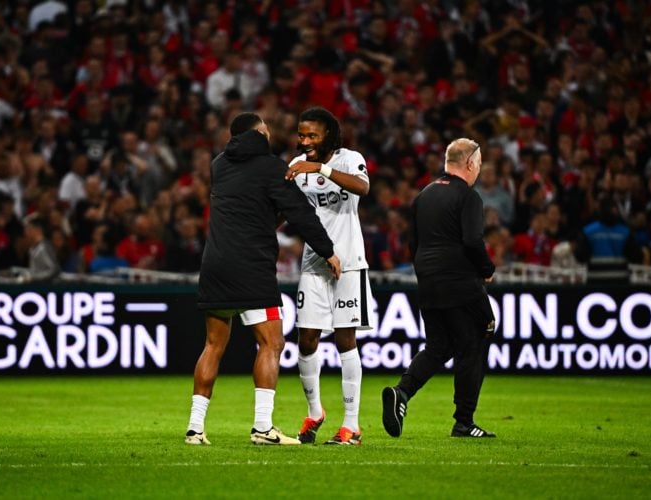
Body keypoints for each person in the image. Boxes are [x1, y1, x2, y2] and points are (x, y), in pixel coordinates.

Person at [186, 112, 341, 446]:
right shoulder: (272, 167)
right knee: (272, 343)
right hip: (252, 267)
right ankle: (262, 427)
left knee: (213, 345)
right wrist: (327, 250)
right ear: (259, 133)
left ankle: (195, 429)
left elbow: (249, 208)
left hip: (214, 263)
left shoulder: (218, 165)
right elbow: (301, 213)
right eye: (266, 131)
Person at [381, 138, 497, 439]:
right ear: (470, 163)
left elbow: (414, 244)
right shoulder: (468, 197)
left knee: (439, 347)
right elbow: (473, 241)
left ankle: (401, 393)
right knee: (473, 344)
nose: (480, 169)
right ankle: (464, 422)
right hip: (461, 283)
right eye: (480, 163)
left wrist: (427, 272)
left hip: (429, 283)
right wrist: (487, 269)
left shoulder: (423, 195)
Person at [284, 106, 374, 446]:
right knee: (306, 341)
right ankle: (314, 412)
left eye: (312, 135)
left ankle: (351, 425)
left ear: (328, 136)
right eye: (301, 134)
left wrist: (321, 168)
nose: (304, 141)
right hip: (313, 263)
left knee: (344, 340)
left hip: (349, 263)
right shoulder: (295, 168)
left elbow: (362, 188)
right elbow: (285, 208)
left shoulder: (350, 159)